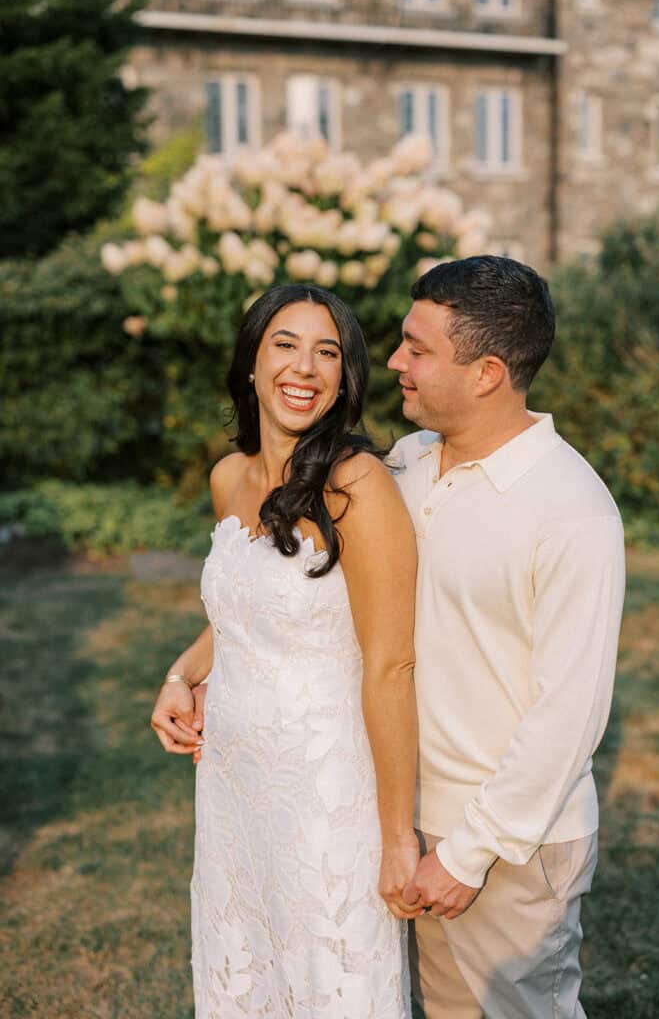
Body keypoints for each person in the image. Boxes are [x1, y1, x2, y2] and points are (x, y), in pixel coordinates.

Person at [150, 284, 419, 1018]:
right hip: (235, 785)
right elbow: (246, 610)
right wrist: (183, 674)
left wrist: (399, 841)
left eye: (326, 352)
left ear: (344, 379)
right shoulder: (227, 478)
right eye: (285, 344)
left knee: (329, 983)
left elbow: (392, 665)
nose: (305, 367)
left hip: (324, 792)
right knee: (247, 972)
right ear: (250, 365)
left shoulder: (356, 486)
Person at [387, 256, 626, 1019]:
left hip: (511, 847)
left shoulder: (570, 511)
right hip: (416, 819)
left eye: (417, 349)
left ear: (487, 372)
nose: (394, 362)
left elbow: (569, 715)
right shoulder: (407, 467)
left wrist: (466, 853)